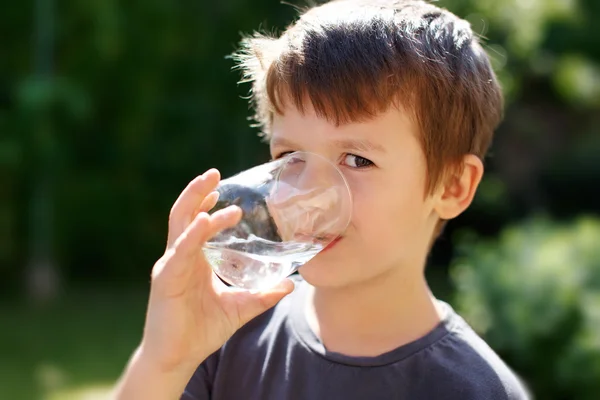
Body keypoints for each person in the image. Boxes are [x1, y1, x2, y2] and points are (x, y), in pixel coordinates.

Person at [113, 0, 531, 398]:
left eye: (356, 159)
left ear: (452, 186)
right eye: (290, 157)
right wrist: (164, 361)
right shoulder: (225, 336)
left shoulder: (476, 390)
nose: (306, 197)